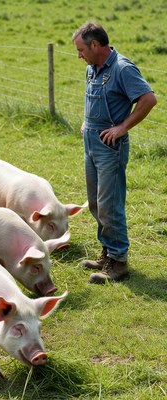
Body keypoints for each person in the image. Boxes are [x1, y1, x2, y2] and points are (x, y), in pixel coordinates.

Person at [72, 22, 157, 284]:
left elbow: (148, 99)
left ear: (95, 45)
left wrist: (122, 127)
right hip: (91, 142)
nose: (79, 55)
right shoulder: (92, 69)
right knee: (96, 203)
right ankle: (107, 253)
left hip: (111, 147)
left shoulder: (122, 68)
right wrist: (88, 121)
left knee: (110, 205)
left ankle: (119, 263)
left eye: (81, 49)